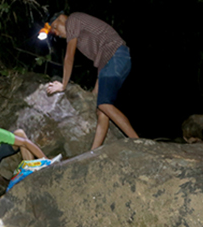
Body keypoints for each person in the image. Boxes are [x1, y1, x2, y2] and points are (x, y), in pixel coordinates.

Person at [45, 12, 138, 149]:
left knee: (104, 105)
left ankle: (137, 141)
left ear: (60, 20)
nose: (56, 34)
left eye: (55, 28)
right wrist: (94, 93)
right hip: (114, 61)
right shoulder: (81, 29)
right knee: (102, 110)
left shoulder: (73, 20)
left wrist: (63, 85)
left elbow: (69, 57)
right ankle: (94, 152)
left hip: (115, 57)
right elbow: (103, 62)